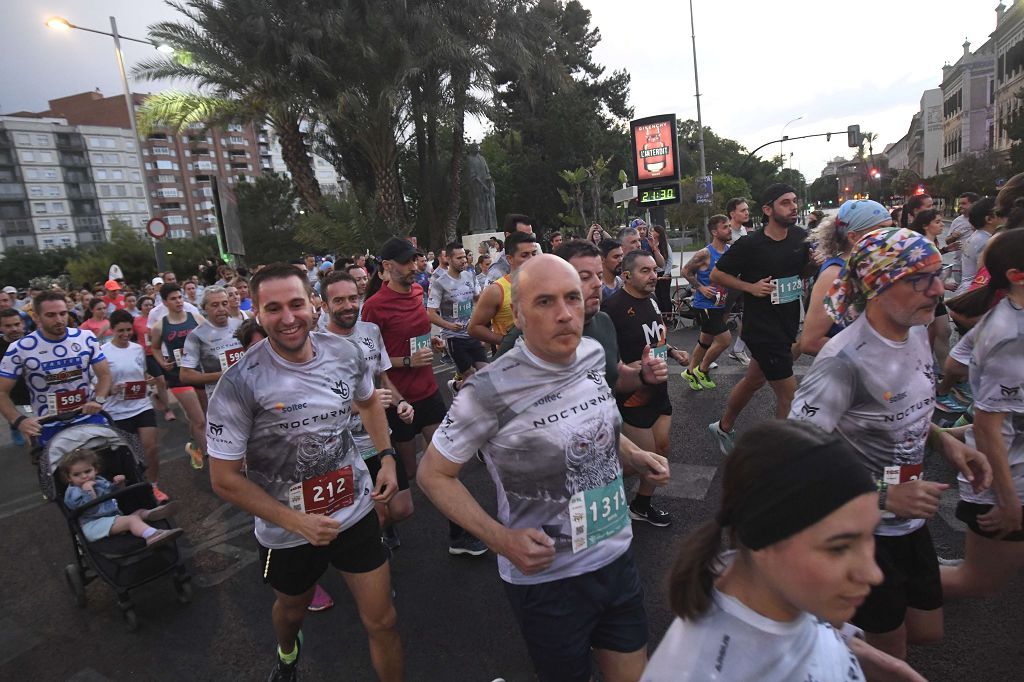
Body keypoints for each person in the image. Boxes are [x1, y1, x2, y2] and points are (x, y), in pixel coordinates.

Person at [418, 255, 669, 682]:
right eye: (545, 302)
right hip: (548, 578)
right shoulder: (487, 389)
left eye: (572, 298)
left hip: (615, 556)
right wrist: (501, 539)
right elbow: (432, 475)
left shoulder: (590, 353)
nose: (565, 313)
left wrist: (634, 455)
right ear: (516, 314)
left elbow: (593, 425)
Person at [791, 227, 992, 660]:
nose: (939, 290)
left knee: (927, 631)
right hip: (862, 529)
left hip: (908, 523)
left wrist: (944, 443)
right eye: (921, 279)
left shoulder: (917, 332)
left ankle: (828, 636)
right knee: (890, 653)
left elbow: (903, 414)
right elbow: (791, 461)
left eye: (938, 274)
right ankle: (814, 643)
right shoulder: (844, 362)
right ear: (880, 286)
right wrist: (885, 495)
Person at [207, 263, 403, 682]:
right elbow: (223, 479)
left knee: (383, 621)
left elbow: (369, 403)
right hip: (288, 529)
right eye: (273, 308)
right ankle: (287, 653)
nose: (288, 317)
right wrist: (298, 522)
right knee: (291, 612)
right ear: (256, 314)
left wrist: (386, 457)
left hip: (354, 509)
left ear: (313, 305)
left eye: (296, 304)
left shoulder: (345, 352)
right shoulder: (240, 383)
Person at [361, 237, 486, 556]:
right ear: (387, 268)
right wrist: (405, 362)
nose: (414, 266)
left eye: (416, 260)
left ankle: (459, 534)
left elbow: (416, 335)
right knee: (411, 476)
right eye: (407, 262)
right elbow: (370, 363)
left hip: (428, 391)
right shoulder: (373, 307)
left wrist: (433, 345)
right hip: (398, 400)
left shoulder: (418, 291)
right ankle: (384, 525)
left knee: (445, 466)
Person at [941, 229, 1024, 600]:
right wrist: (1009, 503)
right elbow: (992, 427)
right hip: (1010, 483)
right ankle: (875, 581)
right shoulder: (1009, 335)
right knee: (974, 583)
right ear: (1015, 275)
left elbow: (955, 362)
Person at [708, 184, 812, 454]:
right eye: (785, 203)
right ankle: (782, 454)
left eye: (794, 201)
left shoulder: (800, 237)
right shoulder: (750, 244)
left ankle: (723, 426)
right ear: (768, 210)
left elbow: (800, 272)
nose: (793, 206)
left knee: (753, 381)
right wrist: (750, 287)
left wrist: (815, 263)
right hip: (762, 329)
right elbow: (717, 275)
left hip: (788, 322)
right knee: (788, 393)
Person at [323, 270, 414, 560]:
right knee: (377, 517)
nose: (349, 305)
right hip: (344, 449)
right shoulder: (315, 344)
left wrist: (401, 403)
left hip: (378, 436)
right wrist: (362, 403)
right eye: (339, 300)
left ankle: (382, 533)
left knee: (402, 509)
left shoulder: (370, 331)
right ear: (324, 305)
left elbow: (383, 378)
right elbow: (316, 405)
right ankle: (375, 566)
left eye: (353, 298)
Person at [603, 249, 688, 526]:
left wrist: (673, 351)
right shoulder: (612, 309)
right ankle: (592, 489)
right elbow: (607, 359)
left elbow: (656, 336)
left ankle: (641, 505)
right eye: (646, 271)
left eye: (654, 270)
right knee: (642, 461)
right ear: (626, 275)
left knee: (661, 449)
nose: (654, 275)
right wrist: (631, 371)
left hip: (659, 389)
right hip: (633, 396)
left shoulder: (651, 300)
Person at [0, 291, 112, 442]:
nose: (59, 320)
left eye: (63, 313)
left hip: (87, 418)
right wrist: (19, 421)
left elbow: (104, 375)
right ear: (36, 317)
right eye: (51, 315)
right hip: (48, 425)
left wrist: (98, 400)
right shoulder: (19, 348)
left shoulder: (85, 338)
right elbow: (2, 392)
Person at [800, 199, 893, 356]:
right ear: (853, 237)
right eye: (882, 229)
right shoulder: (835, 274)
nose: (890, 235)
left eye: (891, 228)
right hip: (847, 374)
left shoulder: (875, 265)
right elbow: (810, 342)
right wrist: (873, 354)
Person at [103, 309, 166, 502]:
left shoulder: (137, 349)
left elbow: (141, 374)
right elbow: (96, 383)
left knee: (151, 448)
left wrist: (147, 381)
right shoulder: (102, 352)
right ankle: (134, 486)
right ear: (112, 330)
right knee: (128, 454)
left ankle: (154, 485)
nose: (125, 334)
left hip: (141, 405)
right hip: (117, 410)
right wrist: (111, 389)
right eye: (120, 330)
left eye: (128, 330)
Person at [61, 448, 182, 546]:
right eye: (77, 474)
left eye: (87, 471)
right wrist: (88, 491)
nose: (84, 477)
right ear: (69, 478)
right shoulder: (73, 492)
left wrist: (119, 485)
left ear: (95, 470)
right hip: (93, 526)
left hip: (112, 518)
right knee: (131, 520)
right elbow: (89, 509)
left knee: (138, 513)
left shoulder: (100, 481)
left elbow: (112, 495)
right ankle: (152, 535)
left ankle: (152, 513)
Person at [150, 283, 208, 469]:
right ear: (165, 302)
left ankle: (193, 445)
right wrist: (161, 362)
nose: (178, 301)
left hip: (199, 372)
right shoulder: (160, 326)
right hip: (179, 375)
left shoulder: (196, 318)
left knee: (203, 417)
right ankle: (211, 458)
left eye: (180, 297)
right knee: (199, 420)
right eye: (173, 299)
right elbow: (155, 348)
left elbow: (210, 338)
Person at [681, 214, 733, 390]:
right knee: (725, 340)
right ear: (714, 231)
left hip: (719, 304)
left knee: (705, 342)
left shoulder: (729, 250)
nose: (729, 229)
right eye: (725, 227)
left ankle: (689, 372)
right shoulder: (705, 253)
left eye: (729, 226)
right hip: (704, 306)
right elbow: (685, 271)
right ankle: (702, 370)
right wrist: (700, 287)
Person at [427, 242, 488, 393]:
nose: (464, 261)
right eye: (459, 258)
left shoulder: (469, 276)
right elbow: (431, 313)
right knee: (471, 376)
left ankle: (456, 386)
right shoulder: (439, 283)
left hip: (471, 333)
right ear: (448, 258)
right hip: (454, 338)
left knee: (486, 372)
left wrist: (481, 322)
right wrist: (449, 326)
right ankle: (460, 393)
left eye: (464, 257)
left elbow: (477, 299)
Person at [468, 232, 539, 348]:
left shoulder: (544, 284)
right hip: (512, 360)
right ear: (510, 259)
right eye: (525, 255)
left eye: (534, 254)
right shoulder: (496, 291)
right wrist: (507, 341)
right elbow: (474, 328)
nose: (531, 259)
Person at [909, 209, 953, 371]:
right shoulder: (919, 246)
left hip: (937, 297)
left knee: (945, 330)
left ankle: (944, 372)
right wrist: (941, 283)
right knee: (919, 335)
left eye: (942, 221)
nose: (942, 225)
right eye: (937, 222)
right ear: (925, 226)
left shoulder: (934, 244)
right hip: (923, 298)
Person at [133, 296, 176, 423]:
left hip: (162, 352)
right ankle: (168, 410)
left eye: (151, 305)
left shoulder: (158, 318)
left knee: (168, 381)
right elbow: (132, 337)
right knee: (161, 381)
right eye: (146, 305)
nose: (149, 307)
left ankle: (158, 396)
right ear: (140, 307)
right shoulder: (136, 321)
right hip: (147, 355)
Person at [723, 197, 751, 365]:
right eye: (743, 210)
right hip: (727, 282)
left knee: (750, 315)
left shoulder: (743, 231)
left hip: (744, 280)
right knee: (721, 318)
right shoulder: (726, 232)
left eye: (747, 209)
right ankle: (706, 353)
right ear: (732, 214)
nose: (747, 212)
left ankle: (738, 349)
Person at [953, 197, 997, 298]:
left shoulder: (978, 235)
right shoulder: (985, 241)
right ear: (989, 219)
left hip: (968, 290)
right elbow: (985, 274)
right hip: (975, 293)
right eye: (999, 213)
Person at [0, 308, 30, 446]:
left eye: (16, 324)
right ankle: (14, 427)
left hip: (34, 392)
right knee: (16, 417)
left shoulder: (33, 342)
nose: (14, 329)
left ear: (22, 323)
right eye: (8, 326)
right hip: (11, 394)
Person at [487, 213, 534, 282]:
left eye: (531, 235)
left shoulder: (536, 259)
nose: (529, 240)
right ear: (508, 236)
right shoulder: (497, 271)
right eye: (523, 236)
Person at [947, 192, 979, 288]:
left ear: (974, 204)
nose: (960, 206)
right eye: (960, 203)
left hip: (976, 264)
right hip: (959, 263)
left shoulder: (982, 219)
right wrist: (953, 237)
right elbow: (947, 241)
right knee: (962, 290)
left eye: (964, 203)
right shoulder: (957, 221)